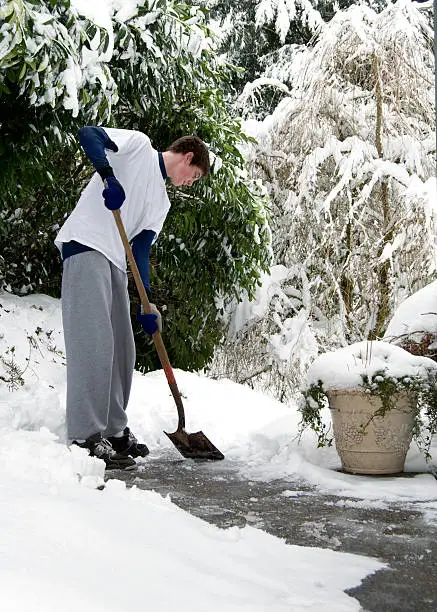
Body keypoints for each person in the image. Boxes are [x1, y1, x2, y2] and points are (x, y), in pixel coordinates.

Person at [55, 126, 210, 470]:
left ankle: (113, 430)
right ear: (187, 157)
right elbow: (89, 135)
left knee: (122, 349)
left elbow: (139, 250)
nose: (190, 182)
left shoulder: (162, 202)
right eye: (194, 175)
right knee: (93, 342)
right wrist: (109, 176)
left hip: (114, 260)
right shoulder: (138, 146)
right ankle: (85, 435)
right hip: (86, 243)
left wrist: (147, 302)